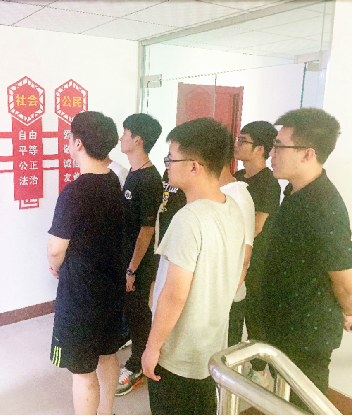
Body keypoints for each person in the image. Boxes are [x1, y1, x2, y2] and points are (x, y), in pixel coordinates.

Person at [143, 118, 246, 415]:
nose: (167, 166)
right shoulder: (231, 207)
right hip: (210, 346)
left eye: (171, 159)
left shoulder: (189, 218)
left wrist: (152, 347)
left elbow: (175, 294)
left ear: (194, 166)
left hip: (179, 352)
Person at [262, 108, 352, 408]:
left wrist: (349, 310)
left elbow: (344, 280)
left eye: (279, 146)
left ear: (307, 154)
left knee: (306, 406)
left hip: (306, 334)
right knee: (284, 402)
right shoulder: (295, 191)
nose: (271, 153)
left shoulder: (325, 205)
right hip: (285, 325)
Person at [47, 111, 124, 415]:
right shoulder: (114, 182)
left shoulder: (75, 192)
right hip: (111, 288)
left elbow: (56, 250)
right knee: (107, 354)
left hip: (81, 294)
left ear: (77, 143)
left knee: (82, 372)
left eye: (70, 137)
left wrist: (55, 266)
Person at [116, 113, 163, 396]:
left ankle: (137, 365)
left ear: (138, 140)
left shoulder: (149, 179)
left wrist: (132, 269)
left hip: (139, 262)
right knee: (130, 310)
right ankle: (136, 346)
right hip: (127, 258)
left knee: (137, 311)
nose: (121, 138)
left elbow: (146, 231)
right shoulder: (133, 173)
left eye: (125, 133)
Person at [234, 121, 281, 357]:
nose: (237, 144)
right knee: (232, 314)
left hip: (256, 262)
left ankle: (260, 369)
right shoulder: (237, 176)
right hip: (233, 256)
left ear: (260, 149)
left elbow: (256, 226)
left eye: (243, 141)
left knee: (253, 317)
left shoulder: (269, 183)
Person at [220, 134, 255, 348]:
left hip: (226, 301)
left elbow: (245, 257)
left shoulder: (238, 196)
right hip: (212, 298)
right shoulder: (215, 192)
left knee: (224, 360)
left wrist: (224, 301)